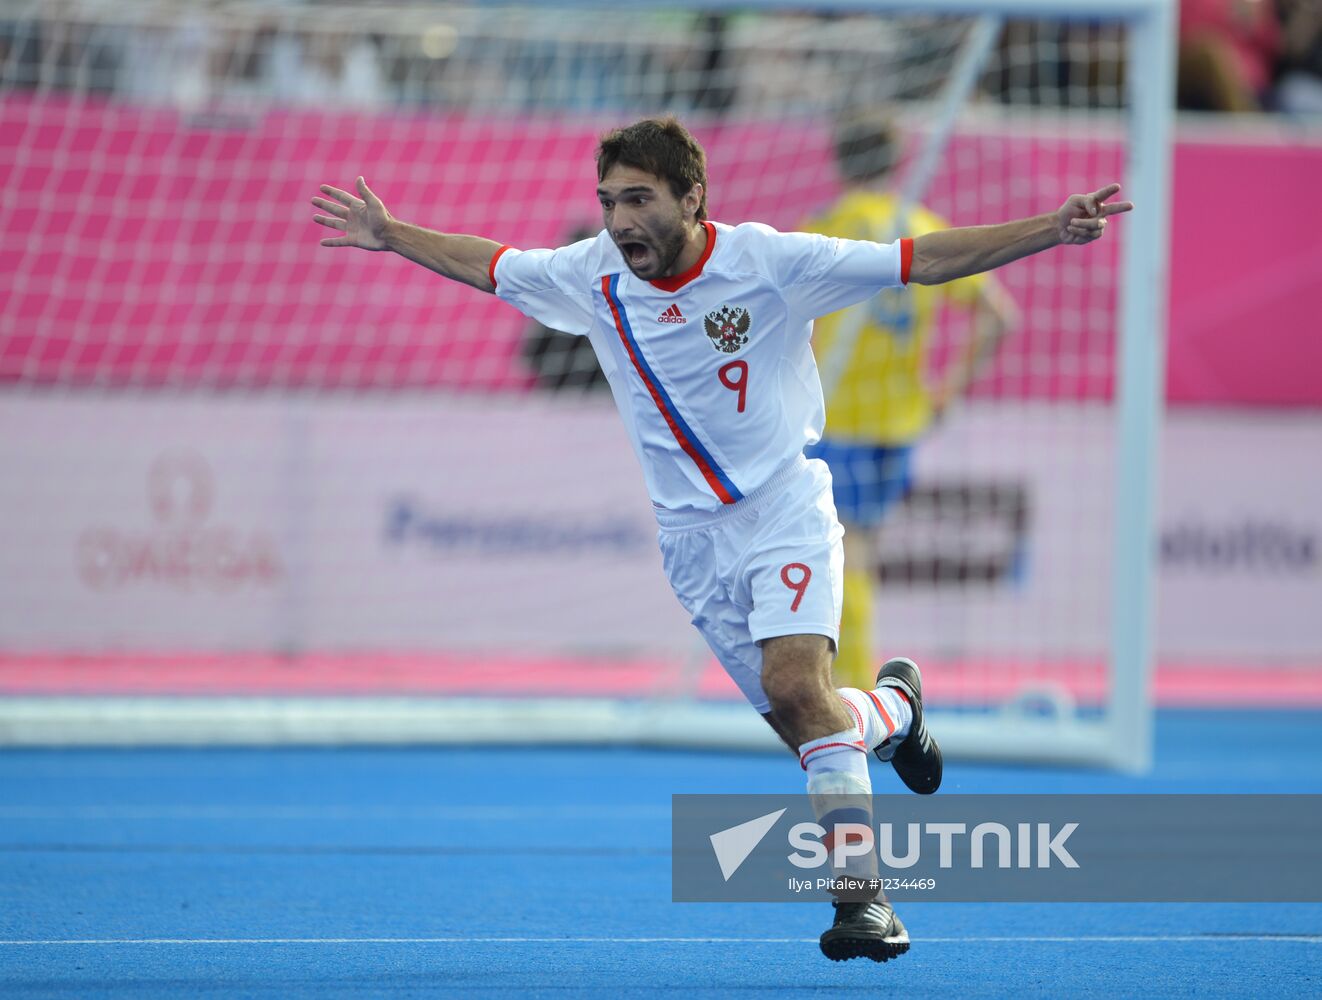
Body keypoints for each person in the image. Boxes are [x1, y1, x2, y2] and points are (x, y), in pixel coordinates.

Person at [311, 116, 1132, 963]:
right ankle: (894, 710)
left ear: (692, 197)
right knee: (805, 719)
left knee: (795, 685)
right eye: (607, 201)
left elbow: (918, 263)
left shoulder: (769, 262)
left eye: (639, 198)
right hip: (691, 545)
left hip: (784, 510)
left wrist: (1050, 228)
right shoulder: (592, 275)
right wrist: (392, 234)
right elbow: (489, 266)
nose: (620, 219)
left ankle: (866, 903)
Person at [805, 117, 1019, 692]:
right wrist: (947, 392)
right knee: (859, 554)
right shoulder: (923, 228)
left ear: (840, 161)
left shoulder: (829, 229)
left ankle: (850, 690)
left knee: (838, 558)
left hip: (838, 417)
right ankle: (853, 682)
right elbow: (1000, 315)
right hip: (899, 421)